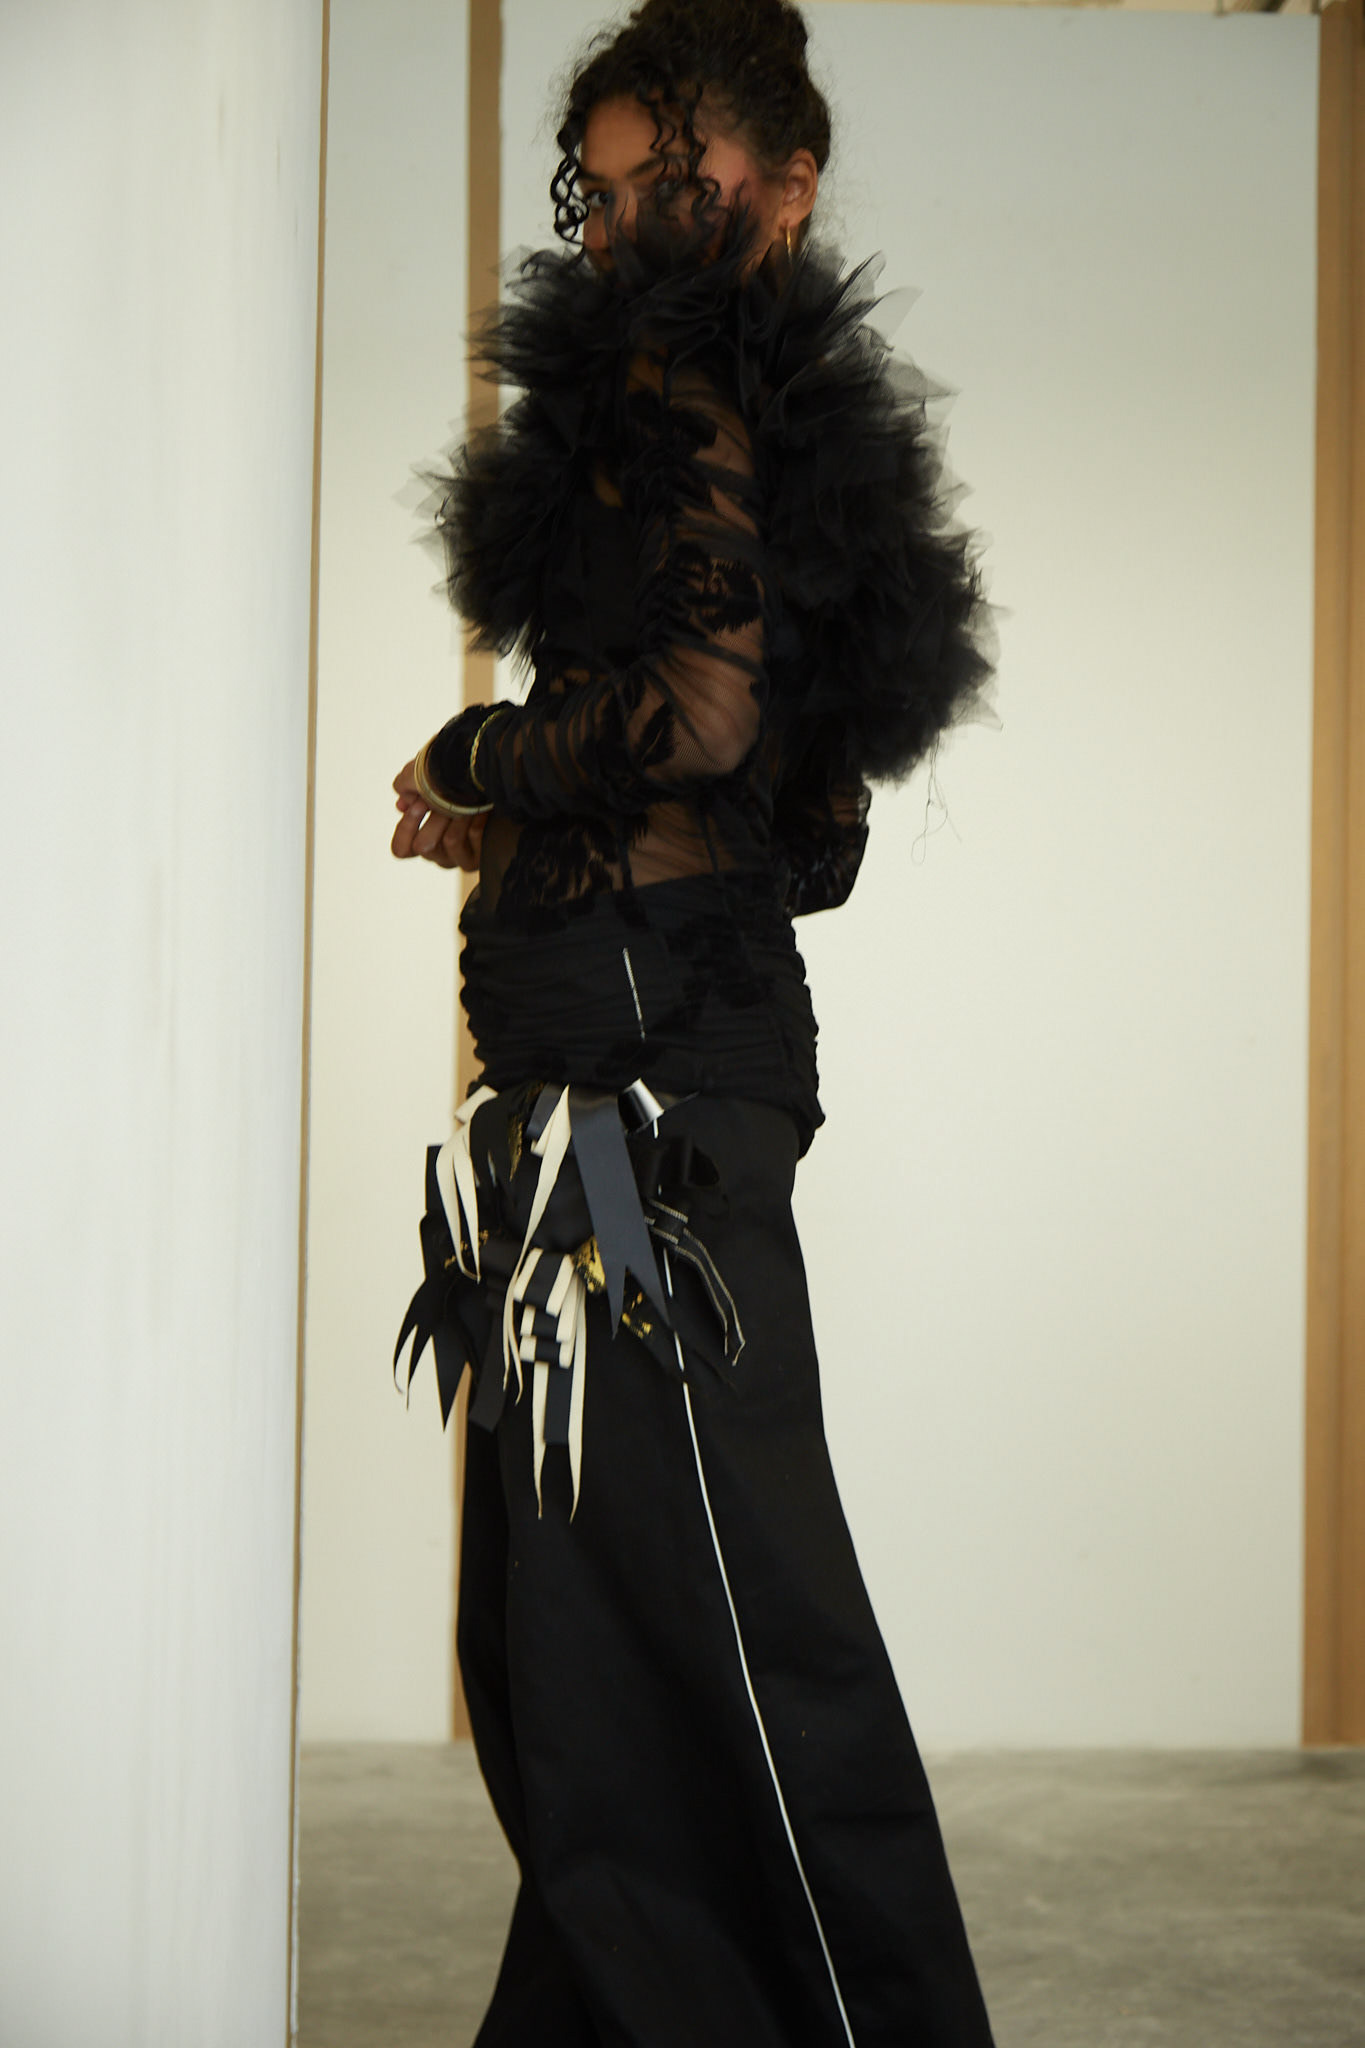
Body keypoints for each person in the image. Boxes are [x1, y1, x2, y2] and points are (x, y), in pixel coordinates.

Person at [391, 1, 997, 2041]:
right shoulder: (757, 418)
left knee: (725, 1646)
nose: (625, 219)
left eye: (672, 178)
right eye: (598, 187)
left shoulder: (689, 379)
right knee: (585, 1664)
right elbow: (798, 827)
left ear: (785, 189)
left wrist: (483, 752)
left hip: (642, 1104)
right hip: (610, 1074)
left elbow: (707, 722)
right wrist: (543, 810)